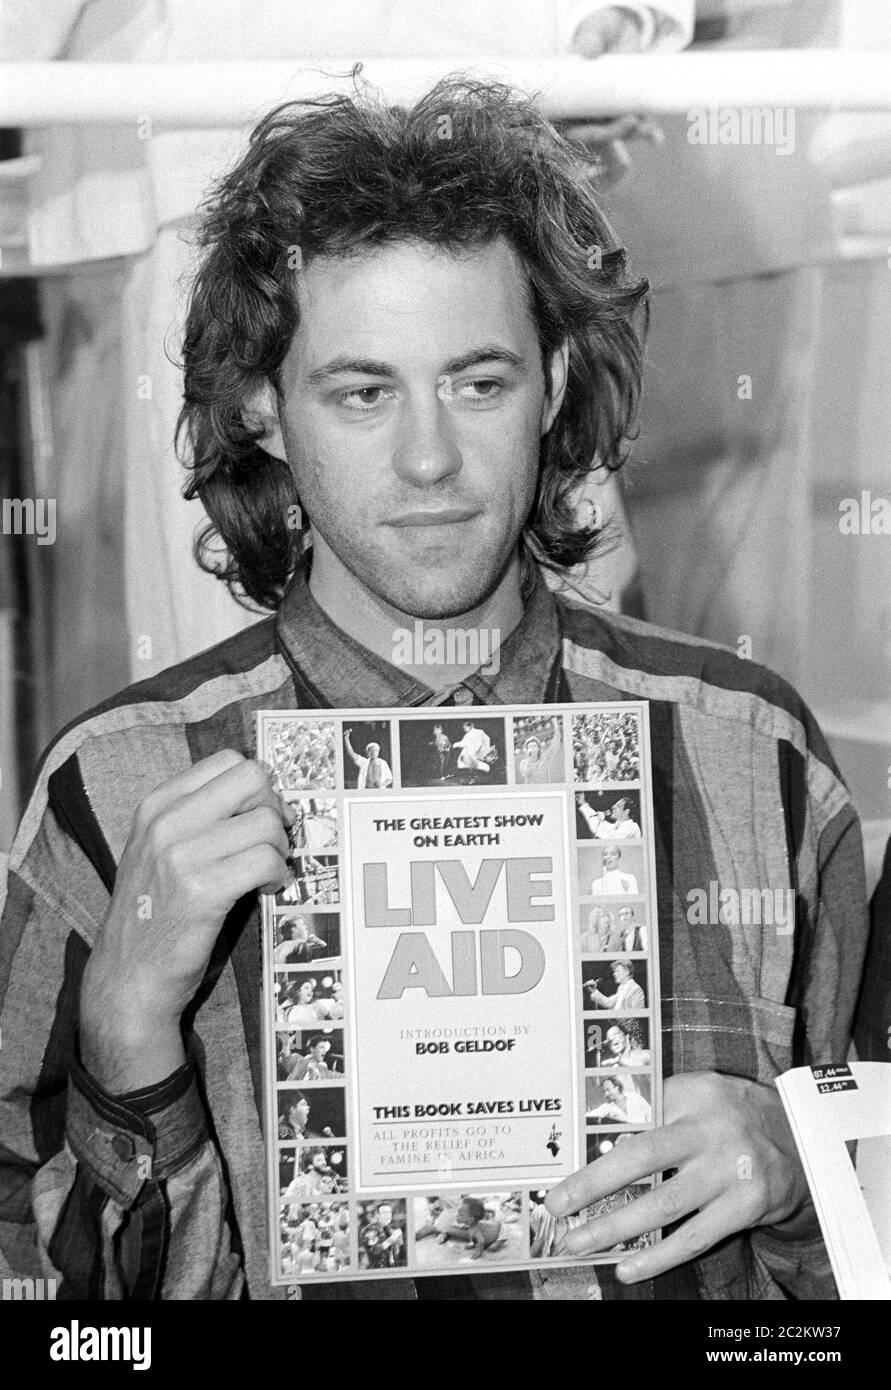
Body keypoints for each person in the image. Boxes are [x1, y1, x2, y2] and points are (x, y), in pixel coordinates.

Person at [0, 78, 869, 1304]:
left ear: (557, 384)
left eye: (478, 382)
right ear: (262, 409)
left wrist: (804, 1175)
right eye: (363, 392)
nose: (429, 459)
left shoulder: (754, 755)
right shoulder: (118, 789)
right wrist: (127, 1044)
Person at [587, 1074, 653, 1125]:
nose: (606, 1094)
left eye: (608, 1090)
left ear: (617, 1087)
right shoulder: (606, 1107)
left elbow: (651, 1113)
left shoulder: (634, 1096)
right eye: (604, 1091)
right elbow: (590, 1115)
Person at [517, 718, 563, 784]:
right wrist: (529, 759)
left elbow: (555, 744)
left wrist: (556, 724)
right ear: (527, 750)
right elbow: (525, 774)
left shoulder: (544, 759)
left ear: (538, 749)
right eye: (529, 746)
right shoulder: (524, 763)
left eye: (534, 746)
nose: (532, 747)